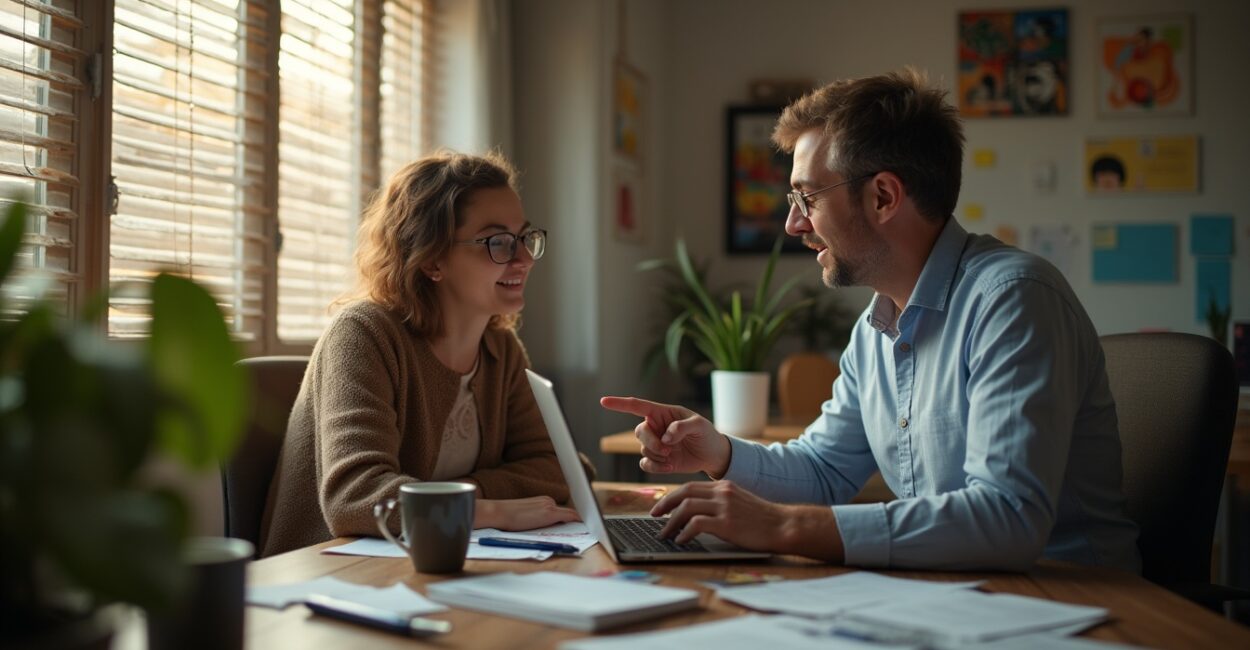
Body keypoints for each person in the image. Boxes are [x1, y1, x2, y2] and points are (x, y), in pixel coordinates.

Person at [602, 69, 1140, 572]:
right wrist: (717, 451)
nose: (793, 223)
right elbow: (823, 471)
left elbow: (1007, 518)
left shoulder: (1013, 300)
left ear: (883, 196)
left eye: (806, 197)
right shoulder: (875, 329)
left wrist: (784, 526)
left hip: (1073, 603)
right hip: (953, 596)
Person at [260, 150, 577, 557]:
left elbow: (557, 470)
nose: (524, 258)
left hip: (439, 560)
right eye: (498, 242)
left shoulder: (501, 350)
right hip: (333, 574)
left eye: (524, 238)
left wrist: (464, 496)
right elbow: (355, 499)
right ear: (432, 259)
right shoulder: (363, 333)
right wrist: (493, 509)